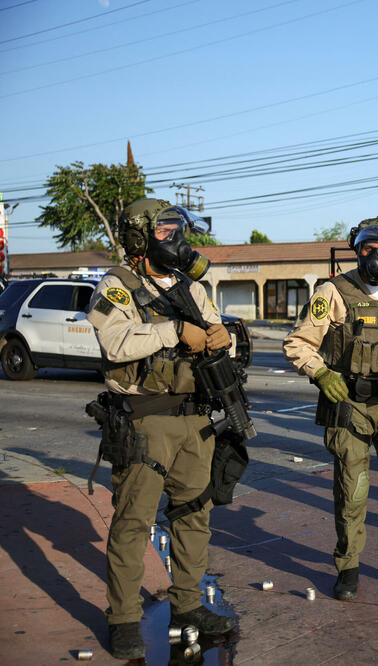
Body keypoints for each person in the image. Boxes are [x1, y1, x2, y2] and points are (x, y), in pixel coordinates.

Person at [86, 198, 235, 660]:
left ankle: (188, 606)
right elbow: (115, 342)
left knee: (194, 513)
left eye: (179, 229)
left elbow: (212, 330)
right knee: (133, 522)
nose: (178, 238)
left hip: (194, 416)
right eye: (167, 230)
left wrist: (221, 335)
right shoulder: (118, 285)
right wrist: (174, 332)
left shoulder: (192, 287)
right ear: (140, 236)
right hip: (145, 418)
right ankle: (124, 619)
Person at [284, 217, 378, 600]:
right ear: (357, 252)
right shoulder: (334, 292)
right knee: (353, 490)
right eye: (368, 249)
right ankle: (348, 566)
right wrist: (321, 374)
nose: (375, 256)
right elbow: (298, 343)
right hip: (350, 404)